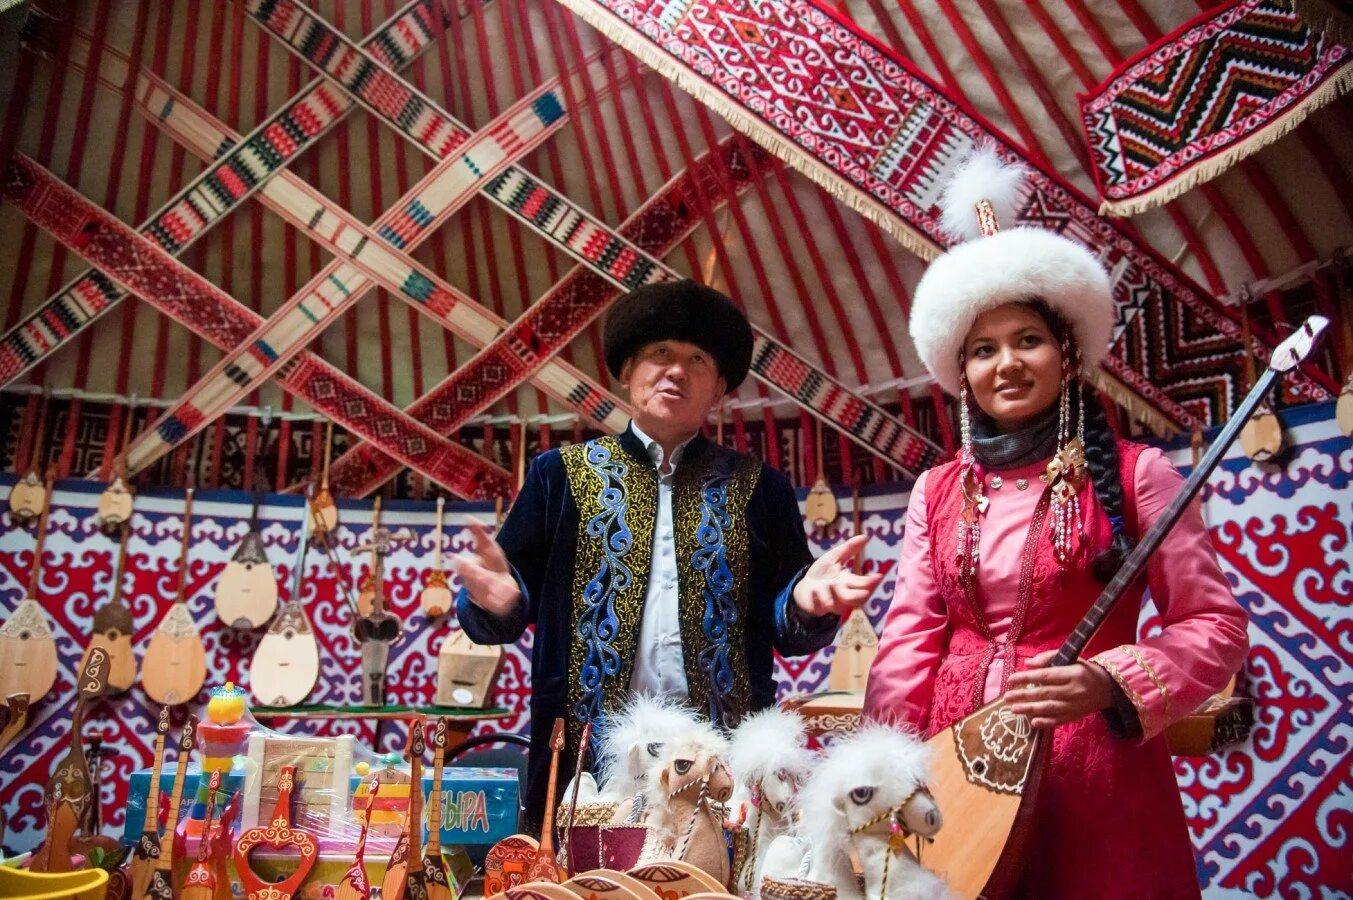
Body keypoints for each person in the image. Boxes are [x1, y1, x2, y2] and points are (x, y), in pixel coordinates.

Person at [863, 150, 1248, 898]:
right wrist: (882, 775)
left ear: (1066, 356)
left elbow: (1213, 625)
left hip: (1098, 773)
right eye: (982, 349)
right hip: (955, 773)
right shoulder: (936, 491)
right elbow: (908, 639)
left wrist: (1108, 681)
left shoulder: (1141, 475)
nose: (1005, 363)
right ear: (961, 372)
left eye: (1026, 341)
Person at [454, 279, 882, 823]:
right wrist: (500, 603)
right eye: (660, 354)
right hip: (589, 757)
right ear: (629, 370)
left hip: (723, 753)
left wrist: (804, 603)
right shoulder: (557, 477)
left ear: (719, 387)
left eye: (696, 360)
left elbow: (786, 625)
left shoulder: (760, 487)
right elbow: (504, 608)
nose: (676, 371)